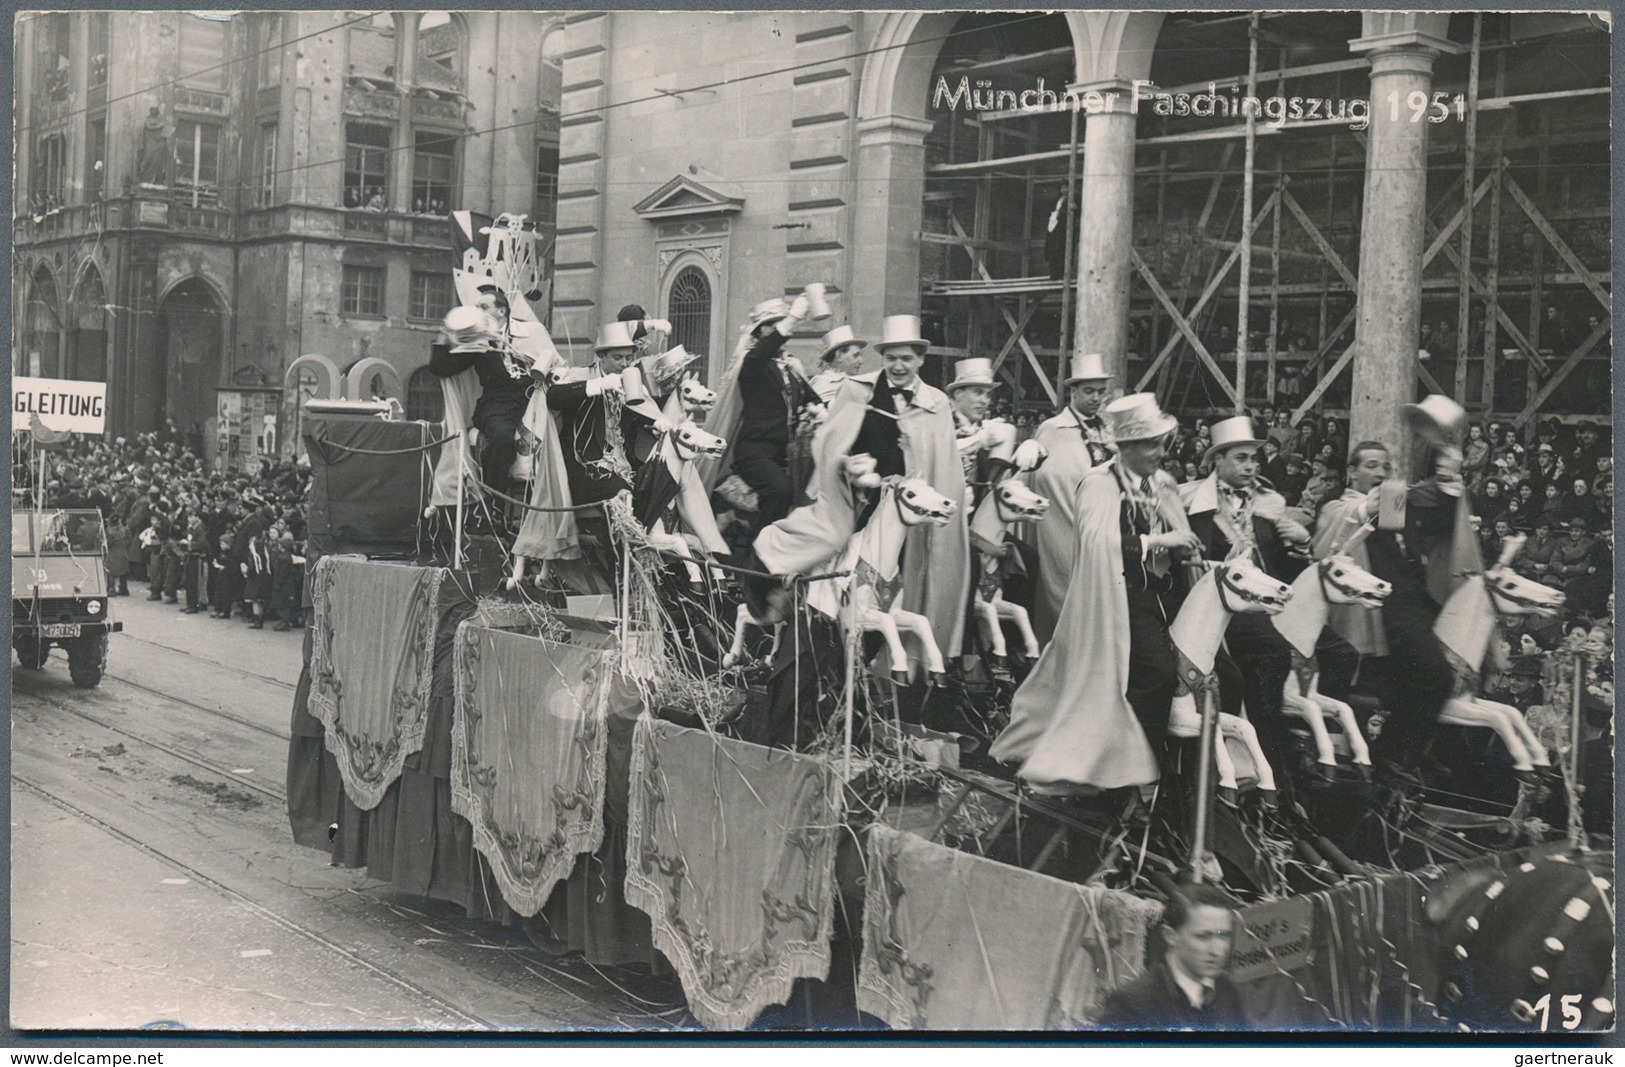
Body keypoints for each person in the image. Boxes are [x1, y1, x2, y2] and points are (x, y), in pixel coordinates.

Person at [990, 393, 1203, 803]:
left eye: (1163, 444)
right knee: (1156, 671)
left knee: (1217, 669)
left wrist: (1185, 550)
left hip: (1166, 594)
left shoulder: (1164, 485)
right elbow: (1095, 540)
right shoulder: (1100, 483)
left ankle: (1192, 774)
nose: (1160, 453)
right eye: (1150, 445)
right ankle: (1138, 775)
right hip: (1124, 600)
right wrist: (1157, 539)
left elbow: (1178, 532)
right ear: (1125, 448)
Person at [750, 314, 969, 674]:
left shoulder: (937, 404)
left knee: (910, 588)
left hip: (909, 519)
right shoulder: (857, 390)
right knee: (828, 581)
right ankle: (803, 659)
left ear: (920, 360)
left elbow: (942, 468)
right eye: (891, 358)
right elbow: (829, 447)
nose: (898, 366)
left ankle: (890, 676)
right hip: (857, 508)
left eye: (907, 359)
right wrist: (851, 467)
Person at [1357, 395, 1480, 787]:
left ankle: (1414, 754)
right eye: (1370, 466)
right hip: (1383, 608)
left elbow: (1431, 505)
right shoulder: (1349, 505)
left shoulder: (1395, 499)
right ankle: (1396, 756)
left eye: (1386, 466)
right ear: (1353, 473)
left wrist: (1449, 469)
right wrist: (1446, 464)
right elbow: (1406, 500)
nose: (1381, 472)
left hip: (1415, 604)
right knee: (1436, 675)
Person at [1180, 416, 1310, 776]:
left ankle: (1296, 743)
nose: (1251, 466)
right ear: (1217, 460)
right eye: (1241, 458)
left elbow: (1284, 566)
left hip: (1271, 601)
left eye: (1255, 458)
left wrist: (1302, 541)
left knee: (1335, 649)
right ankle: (1266, 756)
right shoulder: (1192, 503)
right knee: (1272, 653)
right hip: (1226, 608)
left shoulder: (1270, 504)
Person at [1024, 352, 1116, 644]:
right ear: (1073, 391)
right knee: (1067, 594)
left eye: (1101, 392)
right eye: (1088, 391)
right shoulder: (1053, 429)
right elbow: (1044, 478)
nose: (1096, 398)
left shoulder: (1107, 429)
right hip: (1064, 525)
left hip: (1104, 526)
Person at [723, 293, 826, 526]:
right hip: (754, 450)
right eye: (772, 326)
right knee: (782, 491)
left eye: (778, 325)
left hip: (785, 452)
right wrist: (793, 317)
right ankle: (762, 546)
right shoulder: (751, 362)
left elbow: (811, 397)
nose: (778, 330)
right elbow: (764, 351)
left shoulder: (790, 366)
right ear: (760, 331)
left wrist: (819, 411)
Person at [1097, 884, 1249, 1030]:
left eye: (1224, 936)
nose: (1217, 950)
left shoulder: (1228, 991)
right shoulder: (1132, 1003)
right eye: (1203, 937)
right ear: (1170, 936)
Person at [808, 325, 866, 404]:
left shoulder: (851, 381)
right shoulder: (824, 382)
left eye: (861, 356)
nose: (861, 361)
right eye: (855, 356)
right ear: (839, 356)